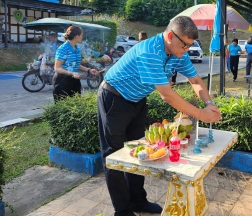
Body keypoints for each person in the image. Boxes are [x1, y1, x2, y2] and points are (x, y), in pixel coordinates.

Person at [97, 16, 221, 216]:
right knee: (114, 155)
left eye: (190, 46)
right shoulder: (150, 52)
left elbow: (195, 79)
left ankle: (138, 200)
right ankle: (122, 210)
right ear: (171, 36)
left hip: (137, 99)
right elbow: (167, 95)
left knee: (141, 150)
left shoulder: (178, 52)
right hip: (114, 98)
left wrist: (209, 104)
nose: (187, 50)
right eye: (185, 45)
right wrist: (201, 115)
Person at [53, 25, 99, 102]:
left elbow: (76, 65)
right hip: (62, 81)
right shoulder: (63, 49)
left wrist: (88, 70)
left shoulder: (77, 49)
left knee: (76, 104)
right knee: (63, 108)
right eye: (81, 35)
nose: (82, 37)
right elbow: (57, 68)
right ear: (77, 36)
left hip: (74, 80)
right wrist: (71, 73)